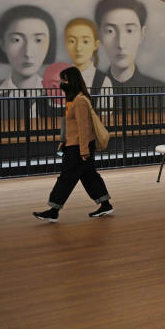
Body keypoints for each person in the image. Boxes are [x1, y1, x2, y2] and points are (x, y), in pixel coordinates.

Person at [33, 67, 114, 222]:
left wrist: (84, 151)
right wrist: (63, 141)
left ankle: (53, 210)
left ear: (73, 81)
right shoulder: (72, 100)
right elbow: (70, 125)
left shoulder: (81, 101)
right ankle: (105, 204)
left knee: (66, 178)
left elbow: (84, 128)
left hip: (79, 147)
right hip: (74, 145)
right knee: (90, 177)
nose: (62, 83)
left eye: (65, 79)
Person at [95, 0, 165, 88]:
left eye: (129, 30)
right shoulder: (88, 92)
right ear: (100, 34)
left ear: (142, 34)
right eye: (110, 31)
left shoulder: (161, 91)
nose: (120, 44)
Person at [0, 5, 56, 92]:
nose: (28, 53)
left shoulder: (64, 98)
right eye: (16, 40)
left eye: (38, 40)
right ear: (2, 44)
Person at [63, 17, 113, 92]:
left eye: (85, 41)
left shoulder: (103, 81)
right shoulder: (60, 78)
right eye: (72, 41)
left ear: (96, 45)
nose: (78, 48)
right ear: (65, 44)